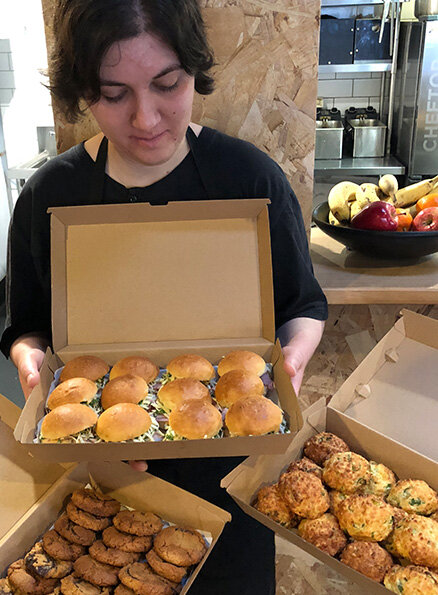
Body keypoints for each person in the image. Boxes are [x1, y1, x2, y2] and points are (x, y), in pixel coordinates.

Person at [1, 1, 328, 593]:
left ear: (193, 72)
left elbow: (303, 305)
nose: (145, 117)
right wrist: (31, 367)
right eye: (113, 93)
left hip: (231, 468)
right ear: (84, 92)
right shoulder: (53, 195)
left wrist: (294, 360)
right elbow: (26, 326)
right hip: (102, 475)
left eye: (166, 83)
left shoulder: (248, 179)